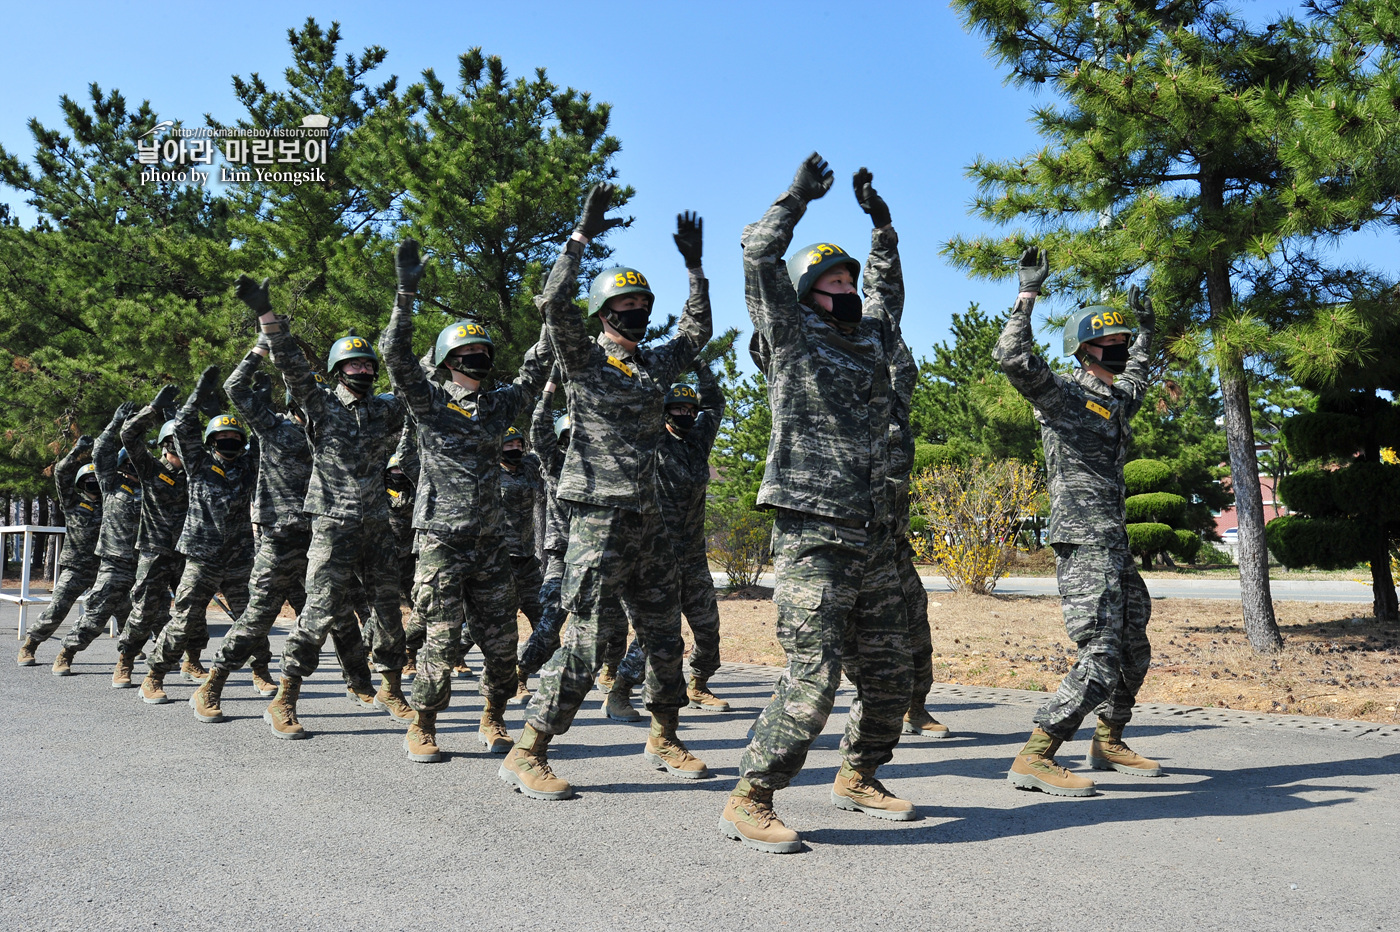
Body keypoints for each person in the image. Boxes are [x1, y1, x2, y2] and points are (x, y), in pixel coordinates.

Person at [720, 156, 914, 855]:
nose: (847, 290)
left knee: (894, 672)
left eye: (848, 281)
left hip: (877, 531)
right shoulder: (789, 338)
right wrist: (797, 198)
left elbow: (888, 293)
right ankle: (752, 795)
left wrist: (882, 228)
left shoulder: (871, 340)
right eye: (832, 282)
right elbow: (756, 254)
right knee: (815, 671)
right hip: (814, 529)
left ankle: (859, 775)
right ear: (805, 295)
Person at [499, 188, 712, 801]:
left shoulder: (652, 366)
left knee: (664, 637)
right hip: (597, 517)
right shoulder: (583, 359)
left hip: (650, 519)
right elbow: (551, 300)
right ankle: (529, 748)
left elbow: (697, 331)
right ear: (602, 312)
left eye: (645, 303)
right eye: (625, 303)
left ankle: (663, 734)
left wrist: (695, 271)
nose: (638, 312)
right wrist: (579, 237)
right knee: (589, 639)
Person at [995, 251, 1161, 796]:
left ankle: (1108, 740)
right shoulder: (1062, 394)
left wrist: (1149, 330)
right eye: (1108, 343)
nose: (1119, 349)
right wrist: (1027, 295)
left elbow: (1137, 372)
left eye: (1121, 342)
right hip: (1082, 542)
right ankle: (1037, 753)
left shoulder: (1115, 399)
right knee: (1101, 651)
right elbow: (1012, 356)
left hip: (1113, 541)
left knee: (1135, 644)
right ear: (1083, 350)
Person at [380, 238, 552, 762]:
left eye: (483, 354)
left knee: (501, 645)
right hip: (440, 541)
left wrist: (551, 308)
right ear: (451, 360)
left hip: (490, 543)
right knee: (441, 639)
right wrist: (406, 294)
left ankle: (493, 715)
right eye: (468, 354)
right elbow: (395, 354)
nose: (478, 359)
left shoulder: (499, 406)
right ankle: (424, 726)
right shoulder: (429, 403)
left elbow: (538, 366)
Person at [234, 275, 411, 739]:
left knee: (387, 613)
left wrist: (405, 300)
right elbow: (291, 365)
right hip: (332, 526)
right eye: (353, 365)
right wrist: (267, 317)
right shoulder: (322, 406)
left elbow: (416, 376)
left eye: (368, 365)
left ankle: (390, 687)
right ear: (337, 371)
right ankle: (285, 698)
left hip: (376, 525)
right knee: (319, 612)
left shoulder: (388, 409)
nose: (363, 371)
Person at [191, 341, 379, 722]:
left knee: (342, 617)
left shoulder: (332, 428)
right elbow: (236, 388)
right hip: (281, 542)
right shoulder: (274, 429)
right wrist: (260, 348)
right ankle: (211, 684)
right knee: (256, 619)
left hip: (322, 539)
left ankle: (361, 683)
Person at [603, 367, 729, 720]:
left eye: (690, 410)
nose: (686, 414)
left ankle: (699, 684)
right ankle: (620, 693)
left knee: (708, 630)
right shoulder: (651, 441)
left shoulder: (698, 441)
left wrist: (699, 364)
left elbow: (715, 404)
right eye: (677, 409)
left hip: (693, 556)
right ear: (663, 411)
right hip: (656, 555)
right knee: (657, 635)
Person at [139, 369, 256, 705]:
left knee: (251, 619)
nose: (229, 442)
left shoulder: (248, 466)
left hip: (238, 559)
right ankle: (154, 676)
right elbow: (185, 425)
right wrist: (198, 394)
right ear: (210, 443)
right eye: (222, 438)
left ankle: (261, 671)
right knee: (184, 621)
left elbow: (263, 435)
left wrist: (251, 404)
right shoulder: (198, 463)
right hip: (202, 558)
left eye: (235, 437)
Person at [51, 404, 143, 673]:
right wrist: (115, 424)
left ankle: (128, 661)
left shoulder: (152, 487)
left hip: (142, 564)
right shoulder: (110, 485)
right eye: (129, 464)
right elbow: (101, 451)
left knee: (146, 616)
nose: (133, 468)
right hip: (114, 563)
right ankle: (66, 652)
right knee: (95, 615)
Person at [111, 386, 191, 686]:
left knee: (190, 613)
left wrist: (181, 416)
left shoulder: (198, 473)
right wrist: (154, 411)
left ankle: (191, 661)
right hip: (155, 551)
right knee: (144, 612)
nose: (180, 451)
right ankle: (126, 660)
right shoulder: (151, 470)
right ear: (165, 447)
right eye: (174, 445)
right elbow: (128, 436)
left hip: (185, 552)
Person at [17, 436, 103, 666]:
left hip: (105, 568)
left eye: (97, 479)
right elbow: (61, 474)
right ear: (81, 483)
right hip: (76, 567)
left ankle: (131, 652)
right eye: (88, 479)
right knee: (56, 609)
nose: (93, 482)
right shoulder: (73, 502)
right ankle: (30, 645)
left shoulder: (111, 504)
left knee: (125, 610)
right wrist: (76, 452)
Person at [498, 425, 545, 703]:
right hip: (500, 562)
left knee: (546, 626)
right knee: (502, 630)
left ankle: (521, 673)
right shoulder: (488, 472)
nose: (515, 450)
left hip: (528, 561)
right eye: (508, 445)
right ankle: (509, 684)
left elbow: (545, 442)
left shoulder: (529, 467)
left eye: (519, 445)